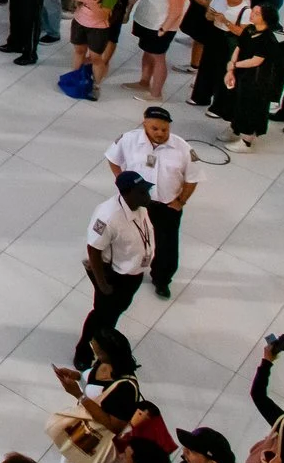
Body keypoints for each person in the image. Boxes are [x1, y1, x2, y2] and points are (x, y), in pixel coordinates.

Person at [104, 107, 198, 299]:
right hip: (135, 204)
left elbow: (193, 178)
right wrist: (122, 181)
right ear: (145, 123)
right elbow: (112, 158)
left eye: (165, 129)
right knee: (124, 238)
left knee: (167, 247)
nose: (160, 133)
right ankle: (119, 269)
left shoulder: (182, 149)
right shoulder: (129, 140)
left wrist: (181, 201)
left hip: (166, 205)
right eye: (155, 128)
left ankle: (162, 280)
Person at [80, 170, 157, 358]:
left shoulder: (140, 207)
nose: (148, 195)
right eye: (142, 192)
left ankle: (103, 346)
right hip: (113, 276)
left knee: (113, 314)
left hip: (133, 273)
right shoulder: (108, 216)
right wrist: (103, 284)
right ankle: (84, 352)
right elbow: (94, 250)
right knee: (101, 316)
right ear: (127, 193)